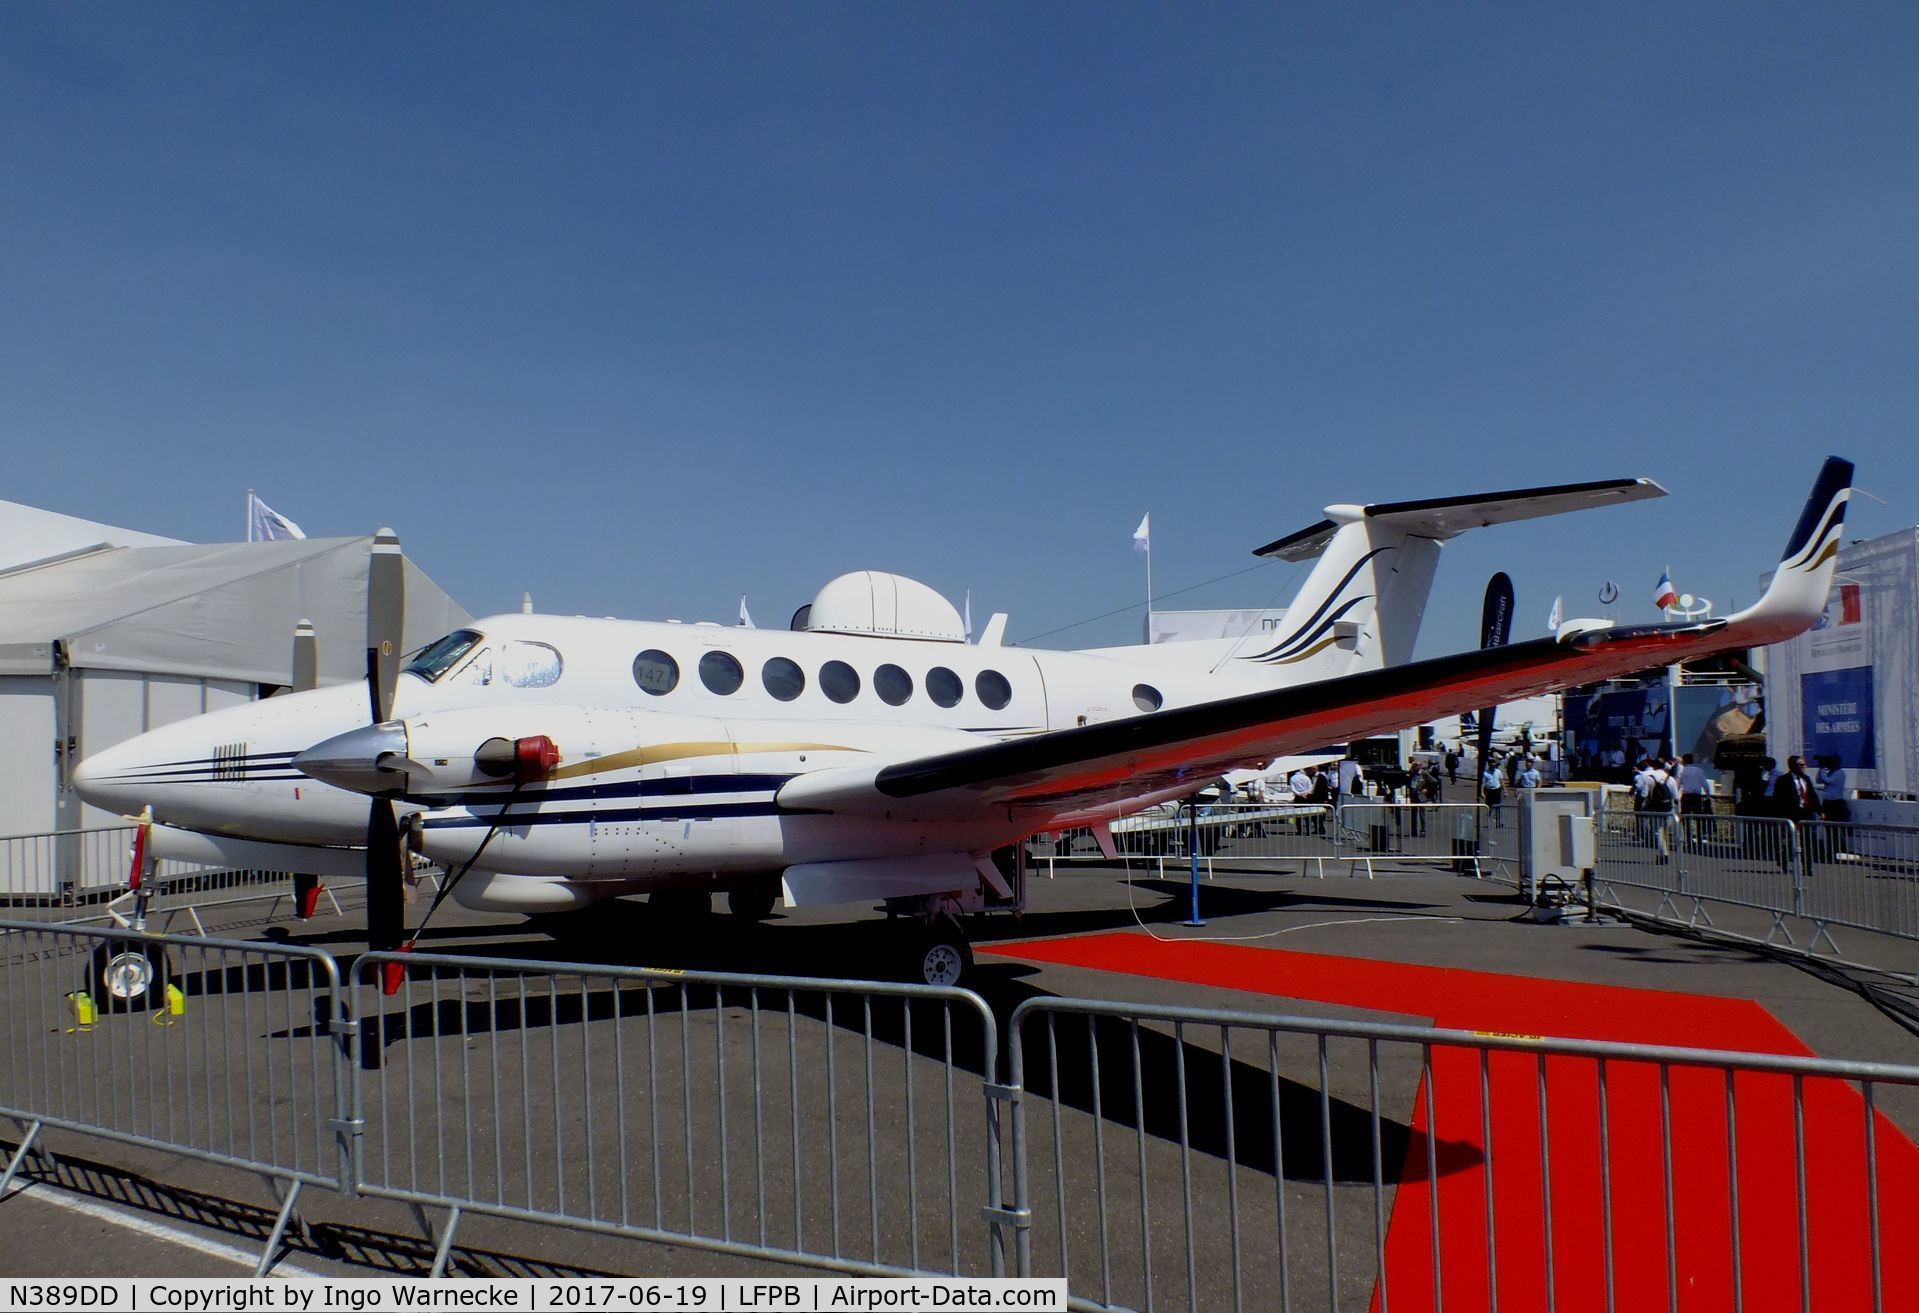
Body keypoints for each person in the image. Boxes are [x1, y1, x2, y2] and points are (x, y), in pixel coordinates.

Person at [1481, 758, 1505, 828]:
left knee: (1498, 807)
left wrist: (1505, 791)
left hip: (1497, 790)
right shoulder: (1485, 773)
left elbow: (1501, 781)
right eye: (1492, 765)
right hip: (1489, 791)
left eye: (1494, 765)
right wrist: (1482, 793)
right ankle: (1489, 821)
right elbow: (1483, 783)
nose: (1493, 766)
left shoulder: (1498, 772)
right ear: (1489, 765)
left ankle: (1498, 822)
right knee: (1489, 807)